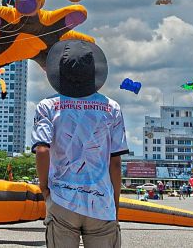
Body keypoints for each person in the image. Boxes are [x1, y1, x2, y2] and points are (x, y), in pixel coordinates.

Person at [33, 39, 128, 248]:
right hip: (101, 200)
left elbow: (41, 150)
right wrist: (115, 203)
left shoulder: (47, 106)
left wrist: (45, 189)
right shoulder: (111, 108)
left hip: (62, 200)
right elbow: (115, 162)